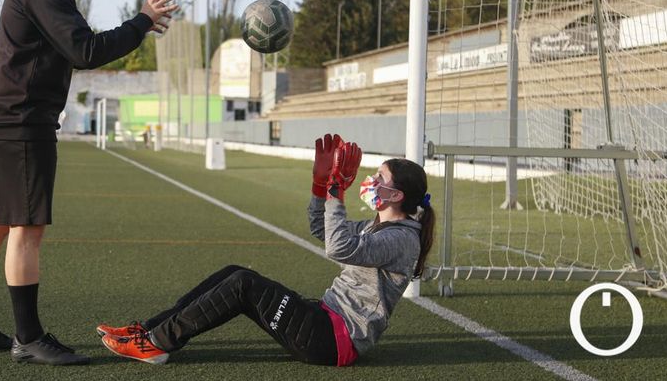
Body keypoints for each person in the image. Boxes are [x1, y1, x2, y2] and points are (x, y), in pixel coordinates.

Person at [0, 0, 178, 365]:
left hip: (3, 115)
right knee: (26, 230)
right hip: (20, 119)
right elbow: (85, 51)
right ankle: (28, 338)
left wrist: (138, 25)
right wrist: (141, 22)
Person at [96, 134, 436, 366]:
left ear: (397, 196)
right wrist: (320, 187)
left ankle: (157, 344)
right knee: (233, 272)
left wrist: (337, 191)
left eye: (380, 178)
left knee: (243, 283)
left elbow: (339, 249)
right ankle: (149, 331)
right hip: (324, 321)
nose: (371, 181)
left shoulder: (402, 239)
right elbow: (322, 228)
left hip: (335, 341)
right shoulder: (379, 226)